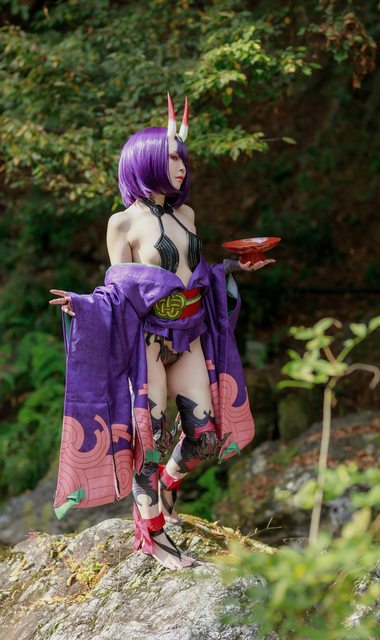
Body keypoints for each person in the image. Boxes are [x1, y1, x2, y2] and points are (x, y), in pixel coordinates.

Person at [49, 94, 274, 570]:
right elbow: (118, 290)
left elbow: (199, 274)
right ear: (146, 159)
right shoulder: (122, 223)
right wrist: (82, 305)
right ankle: (151, 533)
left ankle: (169, 486)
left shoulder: (185, 215)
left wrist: (236, 267)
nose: (181, 166)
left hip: (190, 332)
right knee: (147, 443)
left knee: (204, 435)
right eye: (172, 157)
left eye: (182, 159)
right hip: (148, 340)